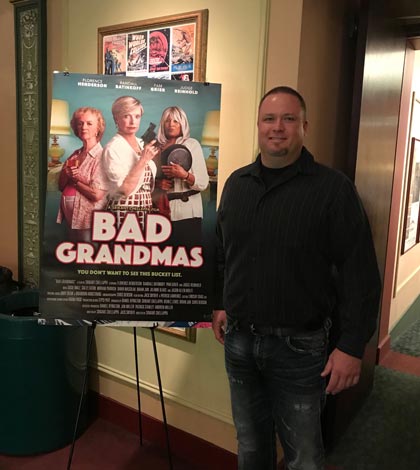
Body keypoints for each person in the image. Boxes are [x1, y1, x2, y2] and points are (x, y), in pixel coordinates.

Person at [212, 86, 382, 470]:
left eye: (288, 119)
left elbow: (361, 273)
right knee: (250, 443)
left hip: (300, 350)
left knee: (303, 455)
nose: (278, 128)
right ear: (258, 126)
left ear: (304, 126)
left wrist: (352, 346)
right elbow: (224, 252)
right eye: (269, 119)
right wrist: (220, 302)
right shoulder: (236, 185)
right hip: (238, 342)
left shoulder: (333, 190)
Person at [155, 106, 209, 246]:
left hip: (187, 212)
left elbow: (203, 183)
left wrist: (184, 175)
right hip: (160, 211)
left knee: (186, 258)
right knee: (162, 259)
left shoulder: (191, 145)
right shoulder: (156, 148)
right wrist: (158, 184)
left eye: (176, 121)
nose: (171, 124)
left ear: (182, 124)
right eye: (167, 121)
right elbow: (146, 179)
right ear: (162, 124)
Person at [102, 96, 159, 228]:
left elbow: (148, 182)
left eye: (137, 116)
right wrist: (143, 160)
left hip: (145, 206)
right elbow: (124, 190)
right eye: (127, 116)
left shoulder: (141, 143)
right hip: (123, 209)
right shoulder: (113, 148)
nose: (133, 121)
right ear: (117, 118)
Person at [57, 106, 108, 242]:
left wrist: (74, 180)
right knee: (75, 252)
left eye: (89, 123)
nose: (83, 127)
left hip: (88, 217)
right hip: (71, 217)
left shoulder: (102, 156)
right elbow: (61, 186)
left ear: (98, 129)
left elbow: (96, 195)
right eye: (80, 123)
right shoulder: (75, 154)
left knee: (88, 253)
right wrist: (66, 174)